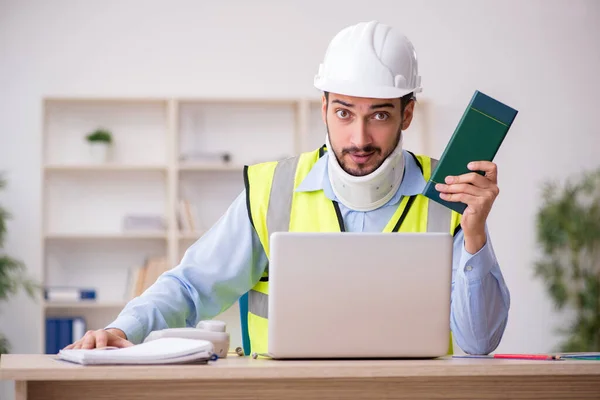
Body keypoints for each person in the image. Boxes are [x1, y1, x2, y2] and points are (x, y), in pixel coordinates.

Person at [65, 20, 510, 355]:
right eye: (343, 113)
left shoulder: (452, 195)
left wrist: (474, 234)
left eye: (379, 115)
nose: (358, 138)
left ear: (406, 115)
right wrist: (124, 329)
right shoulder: (272, 190)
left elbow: (478, 345)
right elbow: (190, 286)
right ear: (323, 108)